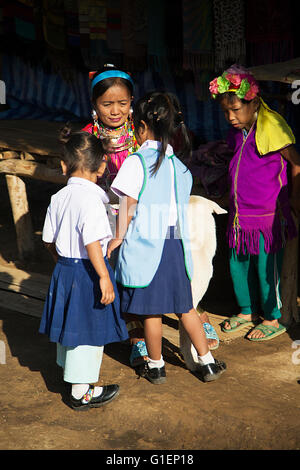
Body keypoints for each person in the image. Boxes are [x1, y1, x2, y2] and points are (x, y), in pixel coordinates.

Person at [84, 64, 220, 373]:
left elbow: (128, 204)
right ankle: (207, 362)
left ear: (140, 120)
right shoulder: (178, 165)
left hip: (141, 235)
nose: (115, 110)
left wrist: (119, 235)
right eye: (107, 104)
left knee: (150, 311)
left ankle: (155, 364)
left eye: (122, 103)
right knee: (182, 305)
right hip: (171, 239)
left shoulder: (137, 160)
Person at [39, 125, 128, 410]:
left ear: (64, 165)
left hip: (65, 269)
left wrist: (60, 263)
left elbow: (48, 240)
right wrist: (104, 277)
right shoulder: (92, 200)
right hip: (88, 270)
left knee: (71, 324)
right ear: (102, 167)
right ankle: (81, 392)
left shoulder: (59, 197)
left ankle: (69, 374)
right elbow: (92, 242)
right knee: (88, 330)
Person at [209, 65, 300, 341]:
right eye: (226, 111)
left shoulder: (272, 126)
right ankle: (246, 311)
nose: (231, 117)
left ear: (253, 101)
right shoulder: (239, 131)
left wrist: (295, 199)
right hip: (241, 216)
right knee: (239, 264)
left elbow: (296, 163)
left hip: (268, 217)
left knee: (265, 268)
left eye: (236, 110)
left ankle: (273, 317)